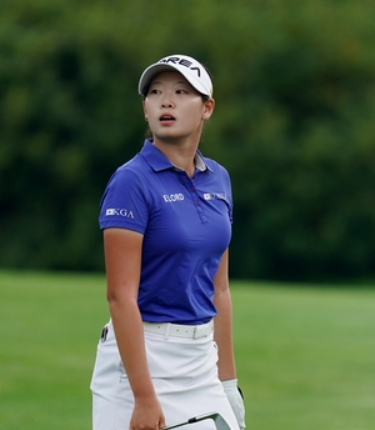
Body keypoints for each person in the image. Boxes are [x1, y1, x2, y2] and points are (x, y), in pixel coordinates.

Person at [90, 54, 246, 430]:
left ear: (207, 107)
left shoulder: (219, 179)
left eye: (181, 92)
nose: (166, 101)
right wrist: (144, 398)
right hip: (141, 361)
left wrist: (228, 383)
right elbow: (120, 297)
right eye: (156, 92)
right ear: (145, 109)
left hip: (201, 360)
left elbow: (219, 289)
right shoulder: (131, 181)